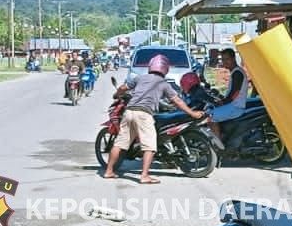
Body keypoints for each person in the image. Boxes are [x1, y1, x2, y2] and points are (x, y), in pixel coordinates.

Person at [101, 53, 205, 184]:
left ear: (151, 66)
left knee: (120, 144)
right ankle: (144, 176)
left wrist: (116, 94)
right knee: (149, 146)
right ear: (165, 69)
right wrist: (193, 113)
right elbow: (177, 101)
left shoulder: (140, 78)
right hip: (144, 115)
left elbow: (123, 88)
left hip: (129, 112)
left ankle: (108, 171)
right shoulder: (163, 84)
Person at [203, 48, 251, 150]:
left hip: (235, 107)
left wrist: (222, 102)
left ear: (234, 58)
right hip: (233, 105)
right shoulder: (234, 72)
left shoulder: (237, 73)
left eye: (227, 59)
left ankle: (218, 146)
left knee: (210, 117)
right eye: (223, 59)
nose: (225, 62)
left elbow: (235, 93)